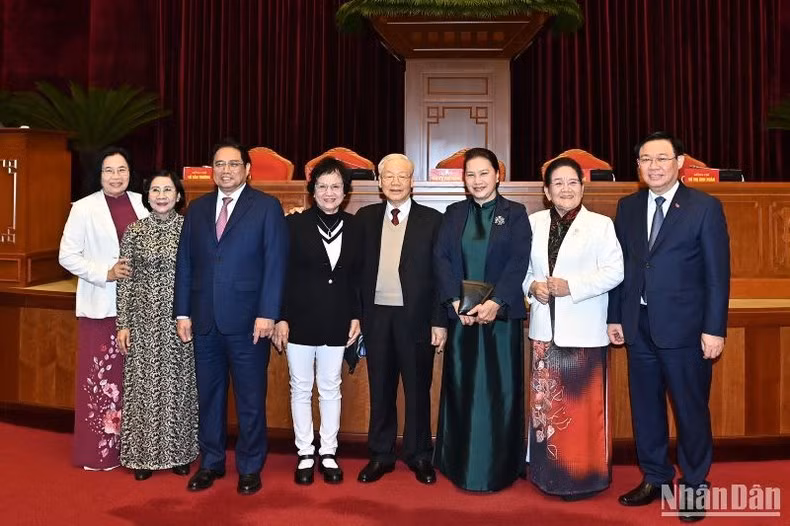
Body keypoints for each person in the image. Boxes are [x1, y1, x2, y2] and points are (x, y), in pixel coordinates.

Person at [608, 131, 730, 522]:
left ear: (680, 163)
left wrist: (715, 328)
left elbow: (717, 275)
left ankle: (694, 486)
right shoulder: (626, 207)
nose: (654, 166)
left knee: (691, 411)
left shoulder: (704, 207)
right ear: (638, 167)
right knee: (646, 409)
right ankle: (655, 476)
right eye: (646, 159)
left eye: (662, 158)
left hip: (687, 329)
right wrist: (615, 316)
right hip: (639, 325)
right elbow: (621, 268)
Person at [174, 138, 288, 496]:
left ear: (247, 170)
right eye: (219, 164)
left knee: (251, 398)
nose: (225, 170)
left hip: (249, 323)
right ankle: (210, 463)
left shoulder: (267, 207)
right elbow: (186, 264)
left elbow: (275, 264)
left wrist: (268, 313)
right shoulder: (197, 208)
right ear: (212, 170)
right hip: (204, 321)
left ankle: (250, 466)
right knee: (209, 396)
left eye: (233, 164)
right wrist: (182, 312)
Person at [523, 157, 624, 500]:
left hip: (583, 329)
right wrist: (531, 287)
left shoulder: (601, 225)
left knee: (579, 411)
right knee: (544, 407)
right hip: (543, 330)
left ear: (582, 187)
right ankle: (545, 475)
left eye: (571, 183)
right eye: (557, 184)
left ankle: (582, 476)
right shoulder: (534, 223)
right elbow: (522, 271)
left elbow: (615, 271)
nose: (565, 189)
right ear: (546, 191)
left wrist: (574, 286)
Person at [433, 147, 531, 492]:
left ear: (497, 175)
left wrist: (498, 302)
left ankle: (499, 467)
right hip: (463, 319)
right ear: (464, 179)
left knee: (498, 390)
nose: (477, 181)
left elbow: (519, 262)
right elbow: (442, 257)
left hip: (499, 322)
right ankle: (457, 462)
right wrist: (455, 300)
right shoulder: (453, 212)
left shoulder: (515, 213)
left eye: (484, 173)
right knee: (462, 388)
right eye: (470, 174)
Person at [355, 153, 447, 485]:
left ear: (412, 182)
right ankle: (380, 455)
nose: (395, 182)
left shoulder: (433, 220)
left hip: (417, 318)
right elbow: (353, 272)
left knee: (418, 389)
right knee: (381, 389)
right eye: (389, 176)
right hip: (376, 317)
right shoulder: (364, 218)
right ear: (379, 182)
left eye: (402, 176)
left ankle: (420, 454)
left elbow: (442, 276)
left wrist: (440, 320)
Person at [272, 157, 362, 485]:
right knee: (300, 386)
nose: (329, 192)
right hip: (299, 319)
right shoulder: (293, 225)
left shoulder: (355, 227)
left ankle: (328, 451)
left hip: (337, 319)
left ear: (346, 192)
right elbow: (280, 275)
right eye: (322, 186)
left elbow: (357, 278)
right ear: (311, 191)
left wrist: (357, 315)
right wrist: (280, 317)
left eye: (335, 186)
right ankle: (305, 453)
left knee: (330, 386)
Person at [58, 146, 149, 470]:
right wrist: (105, 272)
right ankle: (98, 453)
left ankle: (137, 450)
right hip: (101, 307)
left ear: (131, 172)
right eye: (109, 170)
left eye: (121, 169)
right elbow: (67, 256)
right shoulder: (83, 208)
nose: (115, 176)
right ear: (98, 174)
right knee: (101, 380)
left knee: (135, 380)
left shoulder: (144, 203)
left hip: (141, 309)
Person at [116, 170, 198, 481]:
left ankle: (179, 455)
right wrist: (123, 323)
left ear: (179, 196)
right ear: (147, 196)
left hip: (180, 321)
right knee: (144, 388)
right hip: (143, 321)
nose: (161, 195)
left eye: (168, 190)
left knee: (178, 388)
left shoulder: (190, 230)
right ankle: (143, 457)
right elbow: (124, 281)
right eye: (155, 190)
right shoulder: (134, 232)